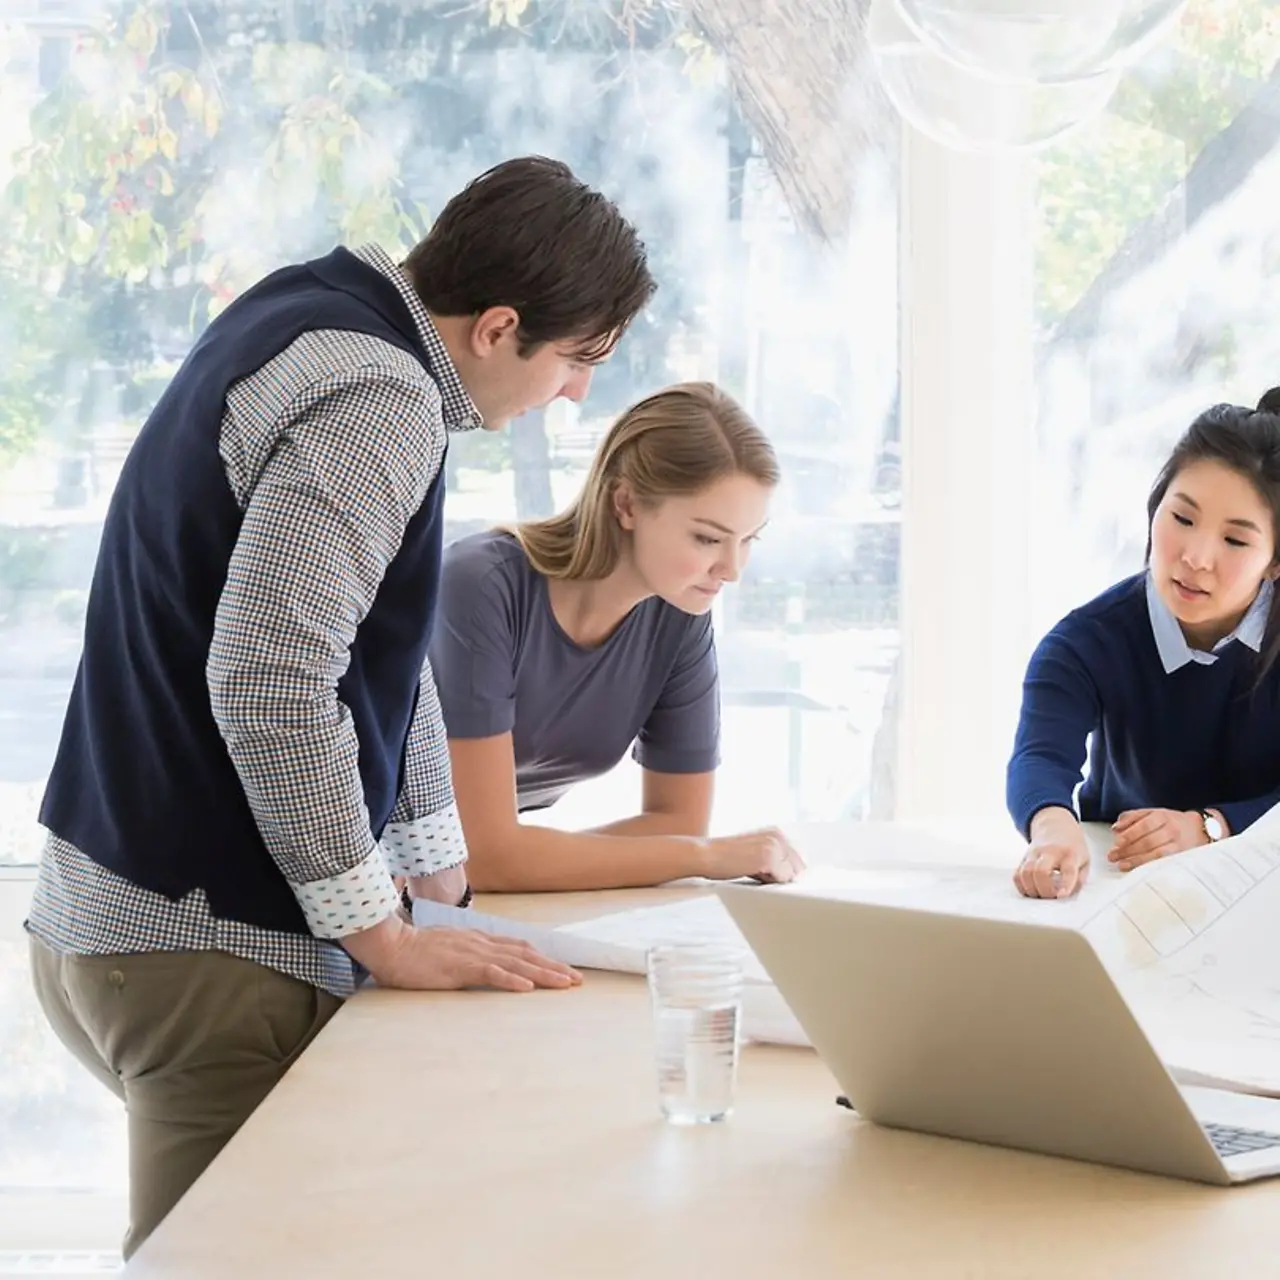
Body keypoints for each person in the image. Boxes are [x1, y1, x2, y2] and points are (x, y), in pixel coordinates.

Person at [25, 155, 655, 1257]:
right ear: (500, 326)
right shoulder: (383, 399)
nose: (575, 394)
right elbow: (271, 674)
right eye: (573, 360)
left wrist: (433, 868)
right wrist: (380, 930)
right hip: (206, 954)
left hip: (116, 916)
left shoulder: (307, 311)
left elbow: (378, 645)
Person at [429, 381, 806, 892]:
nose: (732, 569)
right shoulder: (480, 587)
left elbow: (677, 823)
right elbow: (484, 856)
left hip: (437, 888)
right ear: (626, 504)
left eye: (748, 540)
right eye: (708, 538)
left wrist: (530, 856)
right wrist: (703, 855)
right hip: (336, 878)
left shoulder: (679, 615)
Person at [1008, 389, 1280, 900]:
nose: (1196, 557)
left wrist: (1209, 827)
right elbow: (1040, 757)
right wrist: (1052, 828)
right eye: (1182, 518)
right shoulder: (1085, 641)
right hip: (1126, 891)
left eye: (1236, 540)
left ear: (1275, 562)